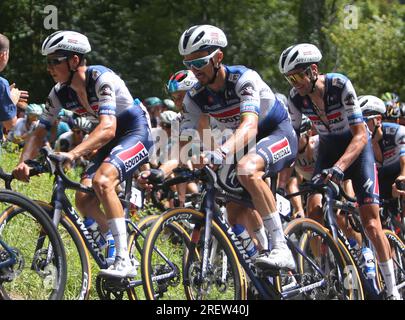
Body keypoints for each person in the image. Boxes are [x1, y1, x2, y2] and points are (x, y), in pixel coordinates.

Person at [13, 30, 153, 278]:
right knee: (83, 199)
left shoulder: (101, 78)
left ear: (74, 61)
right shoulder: (59, 92)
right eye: (48, 61)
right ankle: (113, 239)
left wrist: (73, 154)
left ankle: (124, 260)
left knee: (103, 181)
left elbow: (108, 127)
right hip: (109, 139)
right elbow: (39, 131)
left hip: (134, 131)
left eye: (54, 61)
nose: (49, 68)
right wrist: (22, 163)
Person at [279, 43, 400, 299]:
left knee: (370, 222)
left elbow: (359, 135)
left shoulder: (339, 85)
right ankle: (324, 275)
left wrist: (339, 168)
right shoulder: (295, 97)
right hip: (328, 148)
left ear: (313, 70)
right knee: (313, 209)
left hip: (358, 150)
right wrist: (277, 165)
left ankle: (391, 290)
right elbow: (291, 136)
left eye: (298, 76)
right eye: (290, 78)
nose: (295, 82)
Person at [175, 24, 297, 269]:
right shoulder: (195, 96)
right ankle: (265, 261)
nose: (194, 70)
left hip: (275, 132)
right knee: (233, 210)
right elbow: (184, 140)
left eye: (199, 62)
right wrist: (167, 170)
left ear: (218, 57)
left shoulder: (244, 79)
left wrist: (220, 151)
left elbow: (250, 126)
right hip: (241, 143)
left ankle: (281, 248)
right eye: (188, 64)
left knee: (246, 169)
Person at [0, 33, 29, 132]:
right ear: (3, 55)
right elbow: (11, 125)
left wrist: (4, 97)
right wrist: (12, 100)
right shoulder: (1, 84)